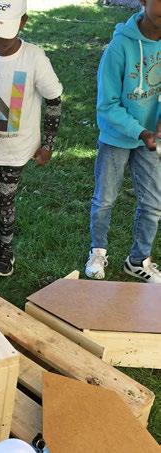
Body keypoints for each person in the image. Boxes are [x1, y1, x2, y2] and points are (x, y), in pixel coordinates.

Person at [0, 0, 63, 276]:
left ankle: (6, 250)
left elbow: (54, 99)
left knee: (6, 199)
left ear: (23, 21)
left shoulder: (34, 58)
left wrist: (48, 144)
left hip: (17, 149)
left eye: (3, 32)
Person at [85, 0, 161, 283]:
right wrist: (141, 131)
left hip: (150, 138)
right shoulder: (119, 48)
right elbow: (107, 105)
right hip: (117, 137)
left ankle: (138, 260)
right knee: (105, 199)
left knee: (153, 203)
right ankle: (98, 252)